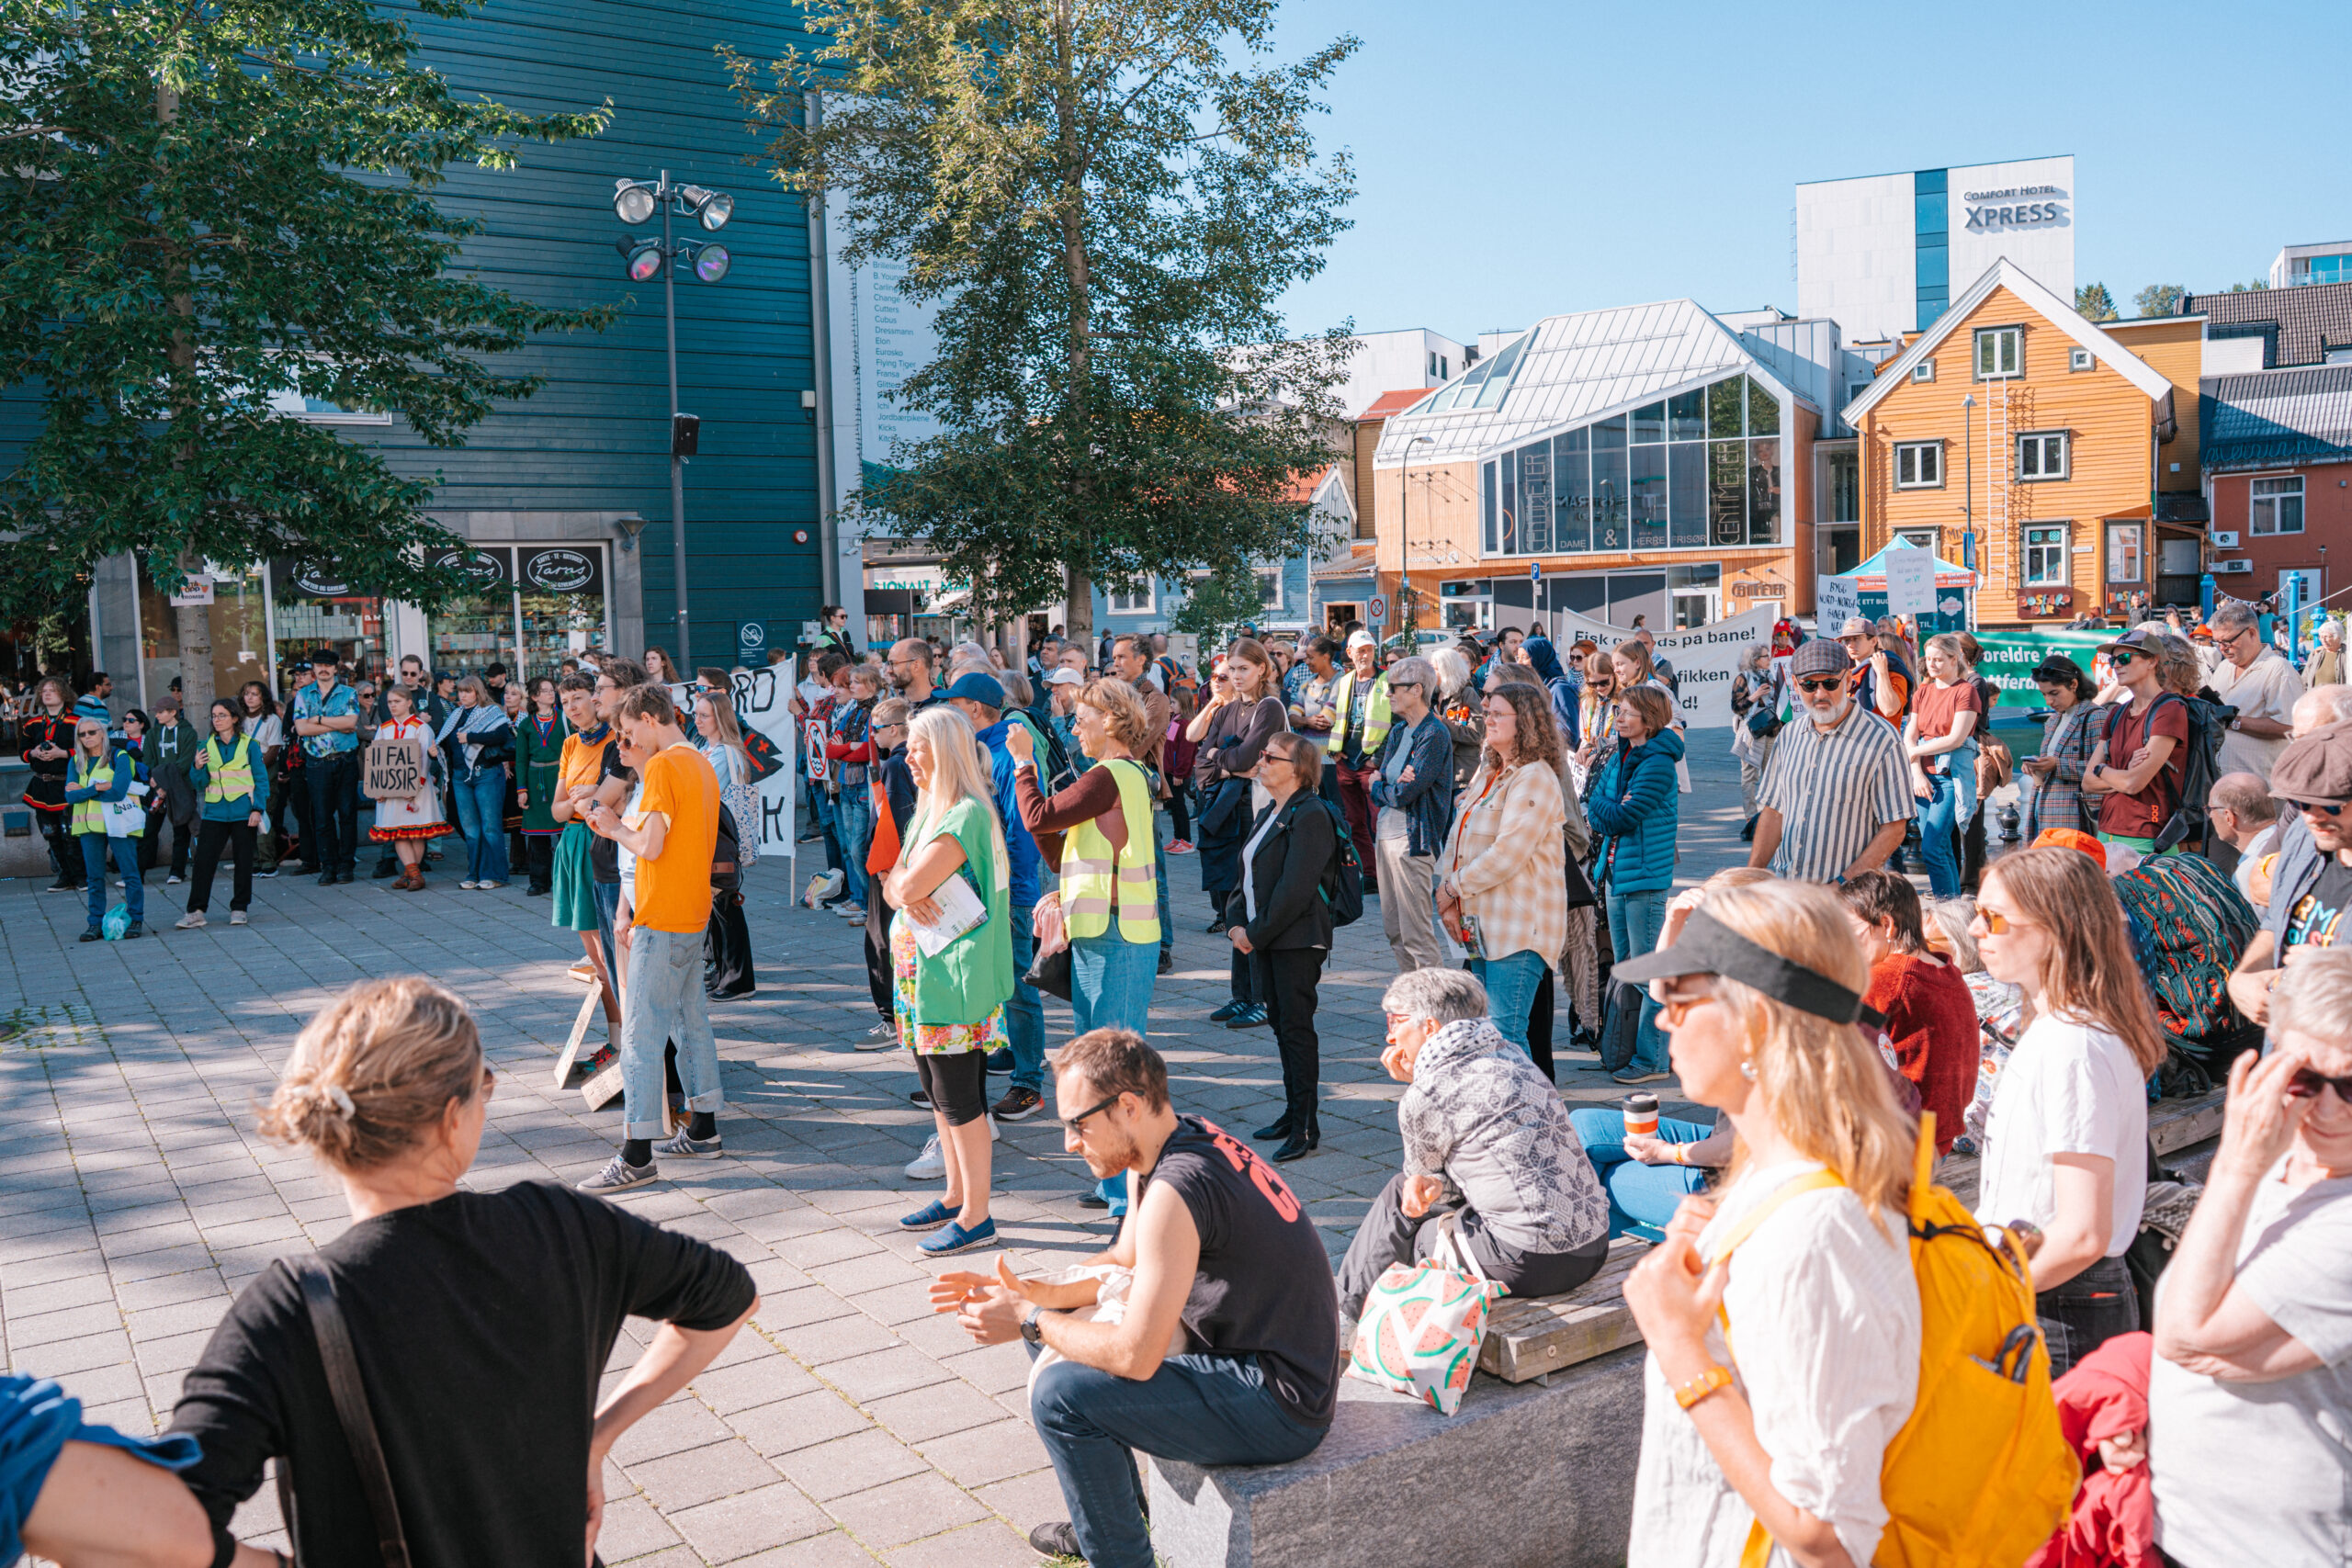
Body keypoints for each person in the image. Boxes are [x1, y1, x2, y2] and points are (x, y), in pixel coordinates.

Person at [169, 976, 757, 1568]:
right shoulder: (562, 1226)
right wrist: (596, 1437)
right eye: (485, 1087)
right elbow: (729, 1297)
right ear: (452, 1118)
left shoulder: (288, 1313)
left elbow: (159, 1526)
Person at [933, 1028, 1336, 1568]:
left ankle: (1120, 1553)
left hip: (1281, 1400)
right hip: (1247, 1357)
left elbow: (1136, 1356)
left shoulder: (1177, 1188)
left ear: (1128, 1106)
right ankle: (1112, 1523)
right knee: (1055, 1328)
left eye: (1078, 1125)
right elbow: (1124, 1259)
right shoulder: (1174, 1140)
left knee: (1059, 1394)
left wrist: (1030, 1318)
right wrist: (1028, 1293)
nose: (1069, 1144)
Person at [1617, 881, 1922, 1568]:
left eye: (1681, 996)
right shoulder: (1776, 1185)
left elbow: (1828, 1535)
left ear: (1755, 1019)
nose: (1661, 1018)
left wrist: (1680, 1346)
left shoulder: (1818, 1232)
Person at [2147, 950, 2352, 1568]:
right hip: (2190, 1529)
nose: (2326, 1108)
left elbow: (2184, 1335)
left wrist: (2235, 1166)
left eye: (2351, 1085)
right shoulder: (2280, 1158)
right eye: (2304, 1079)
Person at [1973, 845, 2167, 1373]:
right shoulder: (2059, 1029)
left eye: (1992, 916)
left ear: (2053, 929)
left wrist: (1982, 1298)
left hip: (2056, 1301)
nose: (1974, 929)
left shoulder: (2074, 1043)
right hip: (2046, 1290)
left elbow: (2083, 1232)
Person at [1339, 967, 1611, 1321]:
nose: (1390, 1036)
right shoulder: (1513, 1054)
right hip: (1593, 1245)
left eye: (1395, 1021)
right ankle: (1347, 1312)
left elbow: (1425, 1191)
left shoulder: (1428, 1093)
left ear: (1430, 1027)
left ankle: (1343, 1319)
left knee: (1409, 1223)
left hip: (1532, 1260)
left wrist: (1416, 1085)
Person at [579, 683, 726, 1191]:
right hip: (692, 909)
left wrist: (613, 826)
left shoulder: (665, 765)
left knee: (642, 1036)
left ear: (647, 718)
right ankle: (703, 1127)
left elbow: (651, 845)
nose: (627, 741)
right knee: (690, 1021)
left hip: (662, 913)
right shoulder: (700, 761)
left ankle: (636, 1155)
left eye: (628, 730)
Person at [884, 707, 1015, 1255]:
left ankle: (977, 1215)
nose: (908, 757)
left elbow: (904, 886)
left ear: (945, 751)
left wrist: (902, 887)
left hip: (954, 981)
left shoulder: (963, 815)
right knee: (941, 1095)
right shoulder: (933, 812)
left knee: (961, 1099)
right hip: (928, 979)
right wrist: (902, 887)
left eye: (918, 747)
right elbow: (891, 880)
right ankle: (956, 1195)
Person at [1010, 675, 1160, 1077]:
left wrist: (1024, 764)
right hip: (1106, 928)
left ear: (1108, 719)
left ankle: (1123, 1117)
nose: (1075, 731)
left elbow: (1037, 816)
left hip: (1115, 931)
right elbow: (1057, 853)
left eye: (1080, 720)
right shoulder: (1126, 773)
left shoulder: (1107, 776)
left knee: (1113, 1057)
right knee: (1098, 1053)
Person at [941, 671, 1050, 1122]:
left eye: (954, 703)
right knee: (994, 983)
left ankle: (1029, 1083)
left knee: (1020, 987)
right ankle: (1005, 1057)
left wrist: (1013, 894)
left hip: (1008, 891)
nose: (948, 710)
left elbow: (1023, 832)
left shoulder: (1005, 751)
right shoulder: (978, 748)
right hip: (982, 888)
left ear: (974, 708)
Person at [1438, 680, 1568, 1056]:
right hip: (1482, 923)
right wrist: (1451, 899)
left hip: (1518, 927)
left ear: (1524, 721)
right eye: (1487, 713)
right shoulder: (1492, 771)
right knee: (1487, 1034)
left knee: (1503, 1035)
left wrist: (1451, 888)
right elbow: (1459, 839)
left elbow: (1508, 853)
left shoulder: (1534, 776)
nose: (1488, 720)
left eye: (1497, 714)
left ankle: (1523, 1096)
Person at [1228, 732, 1339, 1162]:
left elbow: (1295, 890)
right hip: (1267, 937)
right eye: (1262, 754)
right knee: (1280, 1024)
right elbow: (1246, 875)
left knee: (1296, 1029)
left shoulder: (1310, 814)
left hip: (1296, 940)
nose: (1261, 761)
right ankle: (1293, 1112)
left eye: (1271, 757)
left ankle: (1306, 1124)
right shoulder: (1269, 811)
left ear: (1299, 769)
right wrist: (1235, 924)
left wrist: (1253, 934)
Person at [1749, 639, 1916, 884]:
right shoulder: (1789, 735)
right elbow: (1774, 812)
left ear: (1847, 680)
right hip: (1789, 891)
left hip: (1848, 897)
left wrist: (1841, 884)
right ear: (1795, 684)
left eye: (1830, 683)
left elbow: (1894, 827)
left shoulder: (1882, 739)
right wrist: (1751, 876)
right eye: (1809, 685)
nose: (1820, 694)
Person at [1838, 869, 1979, 1154]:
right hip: (1940, 1136)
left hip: (1899, 1144)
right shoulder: (1947, 970)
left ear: (1887, 925)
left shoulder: (1886, 979)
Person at [1586, 684, 1682, 1084]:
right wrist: (1607, 807)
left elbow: (1622, 816)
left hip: (1643, 875)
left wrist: (1606, 808)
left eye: (1626, 713)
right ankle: (1626, 1048)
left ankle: (1653, 1059)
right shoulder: (1622, 754)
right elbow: (1594, 801)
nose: (1619, 719)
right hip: (1615, 873)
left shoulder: (1657, 763)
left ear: (1649, 718)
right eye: (1618, 712)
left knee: (1646, 972)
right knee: (1626, 968)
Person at [1192, 640, 1290, 1029]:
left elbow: (1248, 758)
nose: (1235, 676)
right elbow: (1201, 764)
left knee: (1257, 904)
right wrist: (1224, 762)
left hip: (1261, 812)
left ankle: (1263, 998)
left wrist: (1221, 758)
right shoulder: (1229, 709)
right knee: (1236, 904)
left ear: (1261, 669)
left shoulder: (1270, 707)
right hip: (1229, 814)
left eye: (1243, 668)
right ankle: (1242, 994)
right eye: (1231, 669)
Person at [2228, 722, 2352, 1030]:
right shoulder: (2303, 837)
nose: (2311, 816)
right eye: (2300, 803)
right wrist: (2242, 978)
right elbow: (2276, 920)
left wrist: (2338, 976)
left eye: (2330, 805)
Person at [1365, 655, 1454, 973]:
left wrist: (1382, 786)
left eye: (1393, 688)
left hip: (1413, 840)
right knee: (1395, 932)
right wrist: (1385, 785)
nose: (1388, 694)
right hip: (1387, 836)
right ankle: (1412, 995)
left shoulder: (1434, 733)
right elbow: (1379, 781)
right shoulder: (1399, 731)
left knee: (1416, 934)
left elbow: (1405, 792)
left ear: (1416, 690)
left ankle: (1436, 998)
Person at [2082, 626, 2188, 872]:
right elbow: (2087, 783)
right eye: (2113, 660)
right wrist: (2123, 772)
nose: (2116, 665)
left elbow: (2132, 784)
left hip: (2147, 837)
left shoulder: (2169, 709)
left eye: (2125, 658)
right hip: (2106, 831)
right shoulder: (2117, 713)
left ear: (2152, 661)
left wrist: (2103, 769)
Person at [550, 674, 622, 1032]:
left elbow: (614, 797)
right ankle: (616, 1033)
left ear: (594, 698)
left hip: (602, 840)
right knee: (593, 952)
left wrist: (589, 795)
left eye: (577, 698)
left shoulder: (615, 740)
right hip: (572, 841)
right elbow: (557, 810)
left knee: (610, 949)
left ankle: (626, 1030)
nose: (572, 707)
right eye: (564, 702)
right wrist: (581, 800)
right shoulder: (569, 744)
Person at [1108, 635, 1177, 976]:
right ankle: (1131, 935)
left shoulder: (1155, 699)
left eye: (1122, 657)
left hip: (1141, 790)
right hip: (1111, 788)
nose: (1115, 663)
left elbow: (1135, 746)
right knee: (1120, 869)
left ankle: (1163, 945)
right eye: (1114, 657)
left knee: (1152, 870)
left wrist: (1106, 746)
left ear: (1142, 660)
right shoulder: (1112, 694)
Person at [171, 698, 272, 929]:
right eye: (214, 716)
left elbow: (260, 780)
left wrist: (258, 809)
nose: (217, 720)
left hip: (243, 811)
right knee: (203, 862)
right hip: (214, 812)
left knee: (243, 861)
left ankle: (239, 908)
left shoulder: (249, 745)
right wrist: (197, 767)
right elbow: (199, 784)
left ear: (235, 718)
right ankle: (196, 912)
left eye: (222, 715)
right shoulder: (204, 745)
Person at [1905, 633, 1984, 897]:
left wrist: (1915, 752)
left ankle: (1945, 905)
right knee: (1942, 849)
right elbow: (1910, 733)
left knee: (1932, 848)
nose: (1932, 664)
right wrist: (1917, 773)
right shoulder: (1923, 691)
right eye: (1929, 659)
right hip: (1923, 778)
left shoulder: (1966, 691)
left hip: (1950, 776)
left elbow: (1956, 738)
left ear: (1954, 659)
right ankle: (1952, 905)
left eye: (1938, 659)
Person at [693, 687, 760, 1000]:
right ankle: (724, 974)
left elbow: (702, 792)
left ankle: (738, 980)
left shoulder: (723, 754)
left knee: (726, 909)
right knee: (718, 911)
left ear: (720, 719)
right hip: (714, 838)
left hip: (720, 840)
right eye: (696, 714)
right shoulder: (709, 750)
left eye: (704, 715)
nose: (698, 720)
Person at [63, 716, 145, 940]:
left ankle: (136, 919)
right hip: (89, 826)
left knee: (130, 873)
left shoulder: (120, 756)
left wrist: (84, 791)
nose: (87, 737)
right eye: (82, 734)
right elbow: (70, 797)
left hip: (119, 822)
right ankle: (95, 923)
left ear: (102, 733)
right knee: (94, 877)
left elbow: (118, 792)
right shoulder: (75, 761)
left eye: (92, 732)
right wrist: (98, 788)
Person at [1322, 631, 1389, 890]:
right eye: (1360, 650)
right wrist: (1333, 750)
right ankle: (1371, 876)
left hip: (1372, 764)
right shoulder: (1345, 681)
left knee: (1379, 822)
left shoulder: (1386, 680)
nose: (1365, 655)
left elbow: (1396, 723)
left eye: (1369, 649)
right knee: (1354, 822)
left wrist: (1379, 759)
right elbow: (1334, 717)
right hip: (1346, 762)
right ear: (1349, 653)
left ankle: (1388, 875)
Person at [2206, 598, 2300, 783]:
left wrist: (2233, 721)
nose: (2223, 649)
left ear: (2252, 633)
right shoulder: (2224, 667)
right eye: (2217, 642)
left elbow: (2290, 727)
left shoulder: (2279, 669)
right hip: (2222, 782)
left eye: (2228, 641)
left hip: (2261, 786)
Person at [436, 675, 515, 890]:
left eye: (468, 691)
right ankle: (474, 873)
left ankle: (495, 875)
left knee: (490, 827)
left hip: (486, 773)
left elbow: (501, 735)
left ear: (477, 692)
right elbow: (449, 743)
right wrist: (436, 749)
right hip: (460, 776)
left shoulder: (490, 711)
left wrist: (470, 737)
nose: (463, 695)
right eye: (460, 691)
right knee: (471, 829)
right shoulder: (456, 714)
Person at [289, 649, 362, 883]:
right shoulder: (303, 694)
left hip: (345, 759)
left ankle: (346, 865)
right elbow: (302, 729)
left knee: (347, 814)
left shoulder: (348, 693)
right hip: (317, 762)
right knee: (322, 817)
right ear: (314, 668)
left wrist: (319, 719)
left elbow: (351, 722)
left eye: (328, 665)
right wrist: (338, 724)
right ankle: (328, 866)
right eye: (319, 665)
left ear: (335, 668)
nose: (323, 669)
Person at [2021, 654, 2102, 840]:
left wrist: (2056, 765)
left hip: (2076, 814)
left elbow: (2103, 770)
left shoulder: (2095, 717)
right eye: (2044, 694)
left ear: (2073, 684)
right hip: (2045, 809)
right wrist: (2036, 767)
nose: (2048, 701)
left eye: (2054, 693)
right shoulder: (2053, 721)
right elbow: (2051, 763)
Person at [19, 675, 80, 891]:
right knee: (51, 834)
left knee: (72, 836)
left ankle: (81, 877)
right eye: (44, 691)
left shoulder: (77, 722)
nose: (47, 694)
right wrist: (34, 753)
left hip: (66, 785)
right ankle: (64, 877)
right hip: (42, 787)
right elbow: (23, 752)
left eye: (52, 690)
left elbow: (91, 751)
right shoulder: (32, 724)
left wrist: (63, 753)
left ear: (63, 693)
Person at [513, 675, 568, 897]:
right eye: (545, 690)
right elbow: (521, 760)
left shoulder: (565, 720)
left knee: (566, 832)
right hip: (536, 783)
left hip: (560, 778)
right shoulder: (526, 725)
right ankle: (539, 881)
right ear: (535, 697)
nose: (551, 693)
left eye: (552, 690)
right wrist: (522, 789)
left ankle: (568, 879)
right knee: (537, 836)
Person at [143, 697, 201, 884]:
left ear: (173, 712)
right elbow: (148, 760)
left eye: (161, 712)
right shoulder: (152, 733)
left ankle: (177, 872)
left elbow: (184, 764)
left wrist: (164, 785)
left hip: (182, 788)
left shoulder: (188, 733)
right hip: (158, 789)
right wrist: (158, 785)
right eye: (156, 712)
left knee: (181, 831)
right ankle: (137, 874)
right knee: (149, 830)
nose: (157, 715)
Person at [1728, 642, 1781, 839]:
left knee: (1771, 775)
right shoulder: (1743, 678)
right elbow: (1736, 707)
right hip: (1752, 732)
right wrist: (1755, 696)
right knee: (1749, 776)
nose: (1769, 659)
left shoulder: (1772, 676)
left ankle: (1769, 815)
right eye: (1766, 656)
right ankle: (1750, 817)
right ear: (1756, 660)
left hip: (1772, 730)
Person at [238, 681, 289, 875]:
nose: (249, 697)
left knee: (263, 813)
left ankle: (268, 861)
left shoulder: (272, 719)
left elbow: (274, 749)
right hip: (240, 772)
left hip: (264, 770)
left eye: (255, 694)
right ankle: (254, 860)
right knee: (245, 816)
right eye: (247, 693)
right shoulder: (239, 719)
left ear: (263, 698)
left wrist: (255, 769)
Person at [2208, 773, 2280, 907]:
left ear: (2229, 816)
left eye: (2211, 809)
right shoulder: (2293, 838)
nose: (2210, 815)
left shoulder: (2250, 872)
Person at [2305, 615, 2346, 689]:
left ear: (2338, 637)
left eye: (2327, 636)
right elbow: (2305, 679)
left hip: (2338, 695)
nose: (2323, 640)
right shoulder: (2316, 654)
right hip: (2315, 695)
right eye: (2321, 637)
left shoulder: (2347, 655)